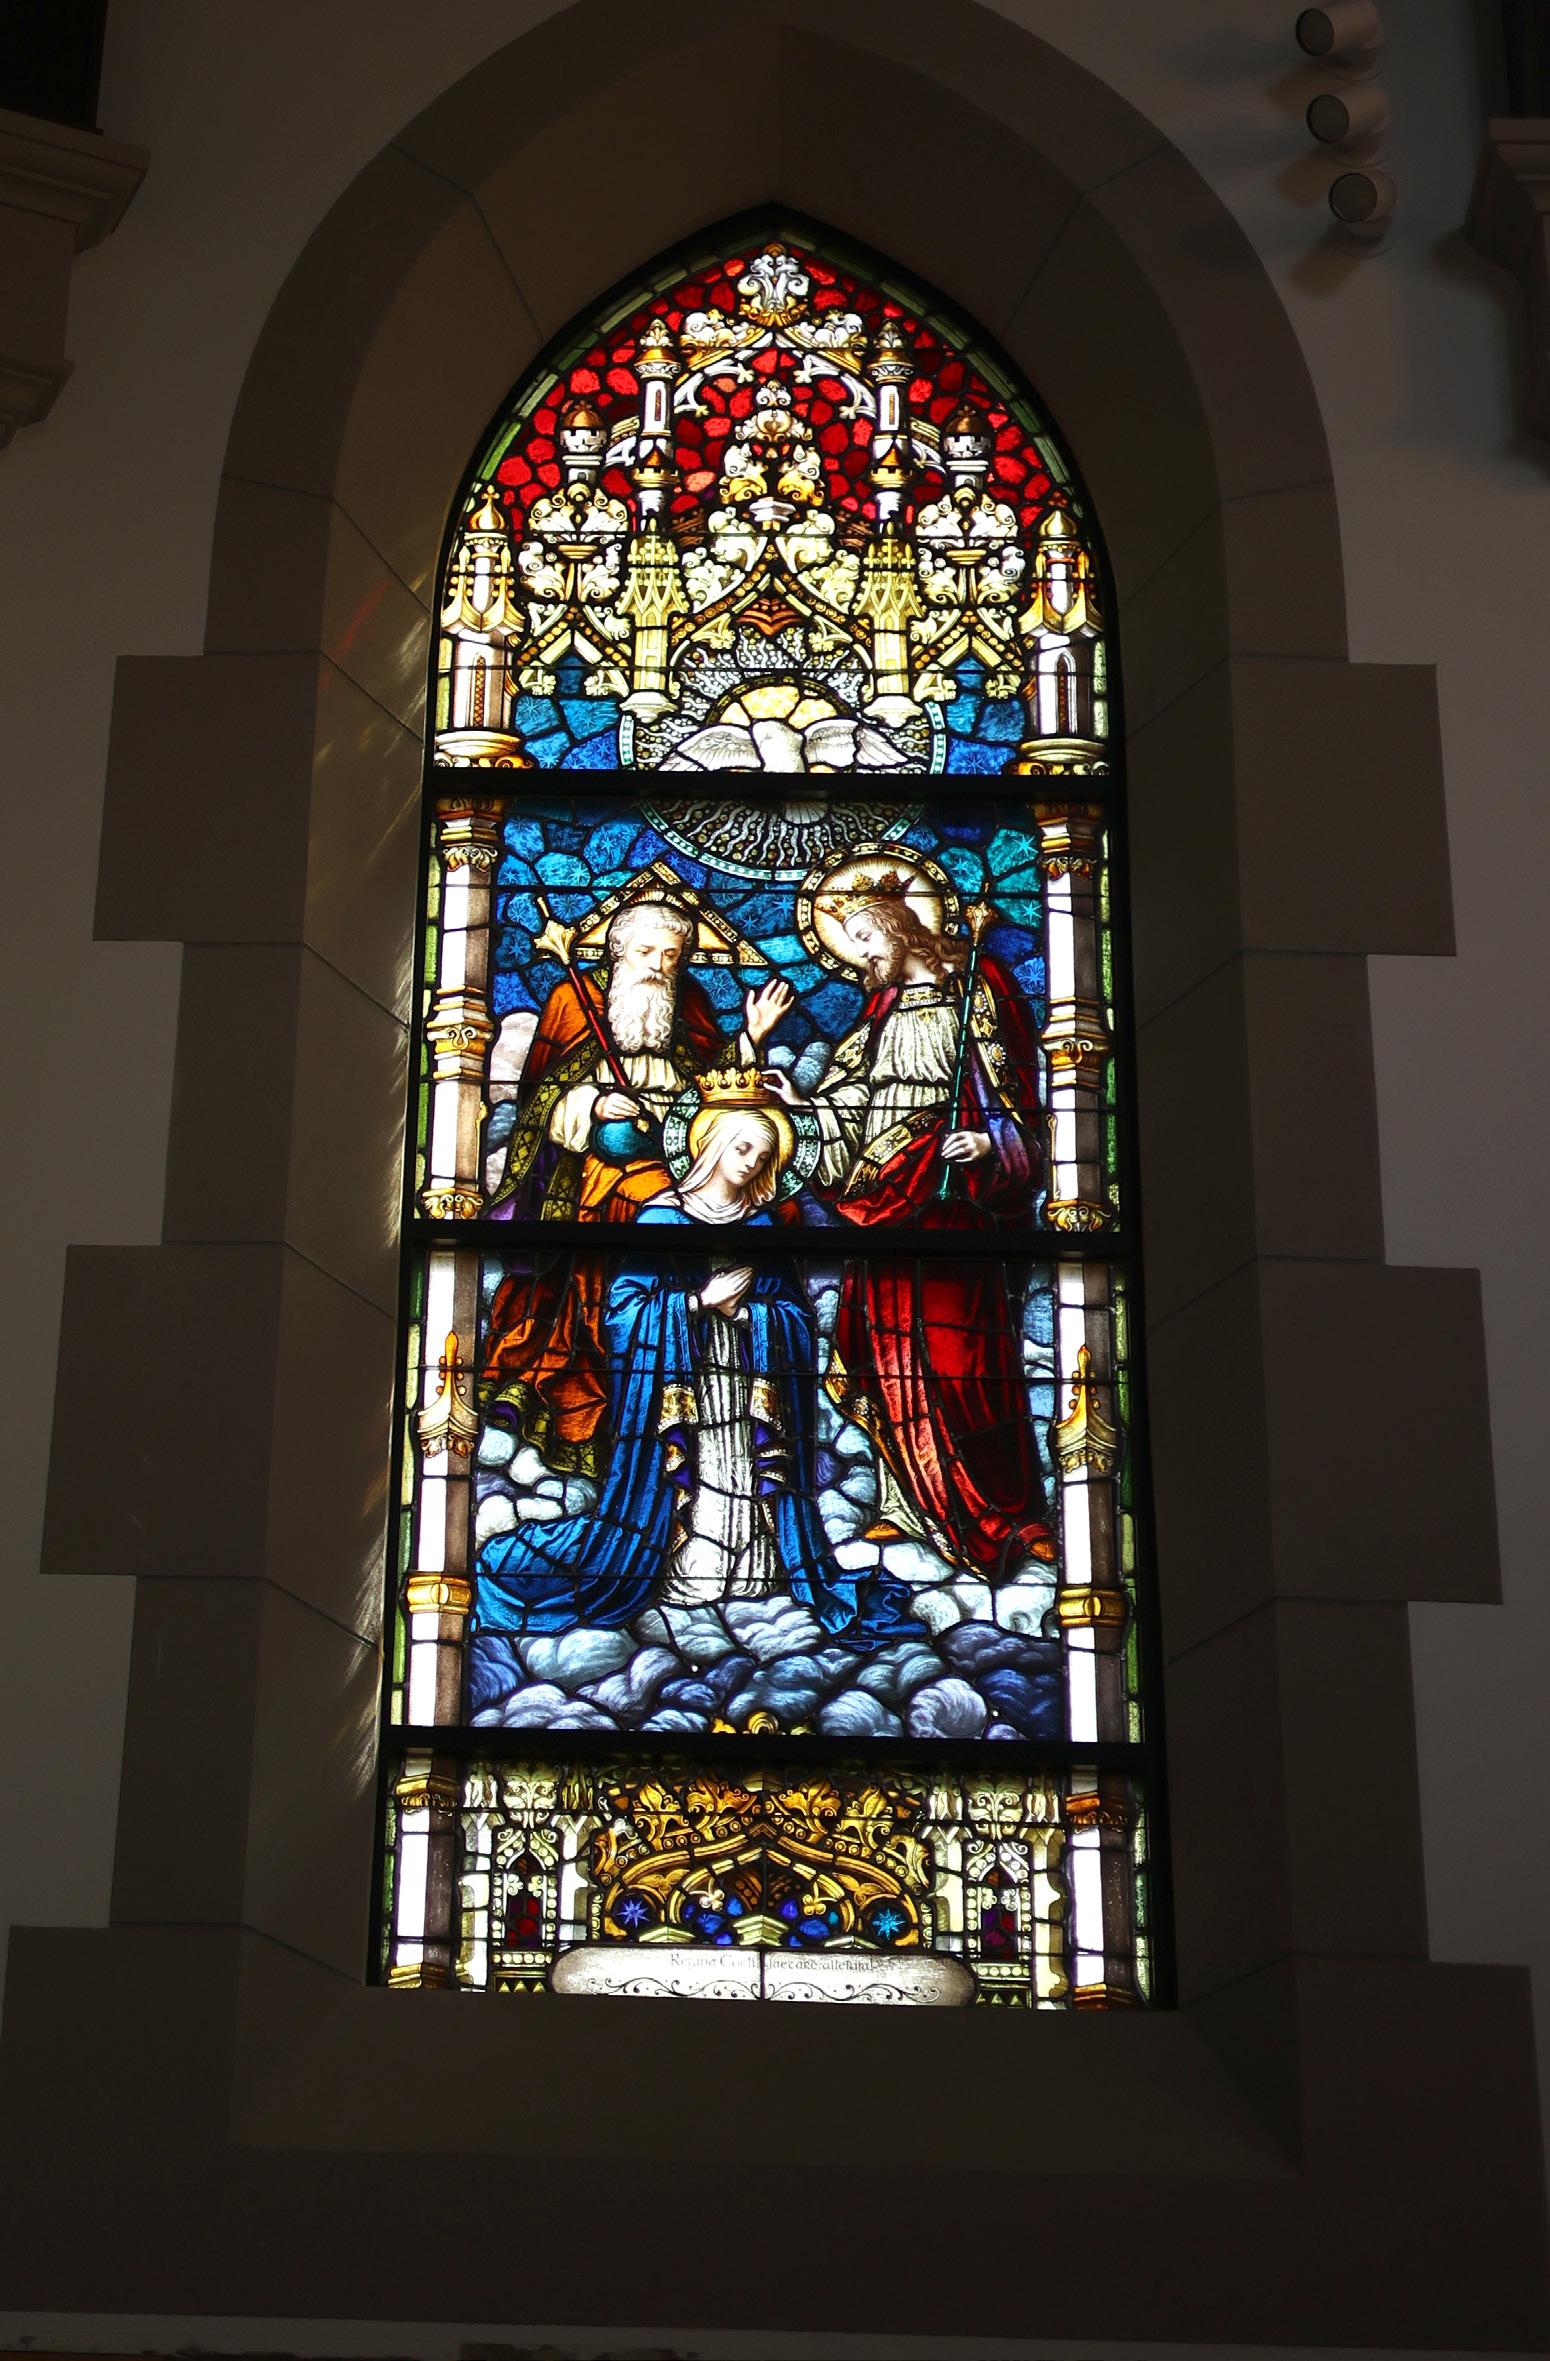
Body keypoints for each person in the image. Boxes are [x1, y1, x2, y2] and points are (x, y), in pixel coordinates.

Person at [471, 1098, 917, 1666]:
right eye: (743, 1148)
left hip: (747, 1381)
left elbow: (797, 1319)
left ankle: (750, 1563)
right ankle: (680, 1562)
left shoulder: (761, 1227)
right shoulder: (661, 1220)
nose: (751, 1163)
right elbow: (622, 1314)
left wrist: (750, 1316)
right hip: (680, 1388)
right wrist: (696, 1303)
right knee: (695, 1468)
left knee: (741, 1464)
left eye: (763, 1157)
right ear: (709, 1146)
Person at [766, 863, 1055, 1579]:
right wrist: (801, 1109)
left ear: (900, 930)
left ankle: (1010, 1511)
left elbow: (1014, 1091)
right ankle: (912, 1499)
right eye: (853, 942)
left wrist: (991, 1144)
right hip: (885, 1202)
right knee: (890, 1357)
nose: (862, 953)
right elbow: (852, 1107)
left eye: (867, 938)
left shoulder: (976, 992)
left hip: (956, 1205)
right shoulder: (879, 1015)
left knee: (966, 1360)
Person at [482, 893, 791, 1477]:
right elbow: (538, 1100)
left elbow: (715, 1087)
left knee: (730, 1213)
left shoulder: (688, 1005)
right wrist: (593, 1103)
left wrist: (751, 1037)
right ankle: (610, 1373)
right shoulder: (574, 999)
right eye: (646, 951)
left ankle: (699, 1366)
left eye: (672, 955)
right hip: (593, 1169)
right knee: (642, 1212)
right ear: (618, 950)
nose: (658, 966)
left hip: (682, 1160)